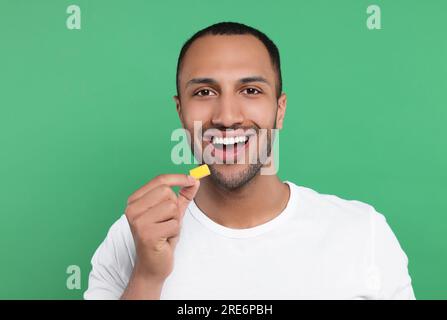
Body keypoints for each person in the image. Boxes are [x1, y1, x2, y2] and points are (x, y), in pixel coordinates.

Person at [84, 22, 415, 300]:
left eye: (251, 91)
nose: (227, 117)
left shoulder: (363, 232)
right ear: (180, 111)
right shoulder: (132, 237)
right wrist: (146, 277)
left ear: (280, 110)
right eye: (204, 93)